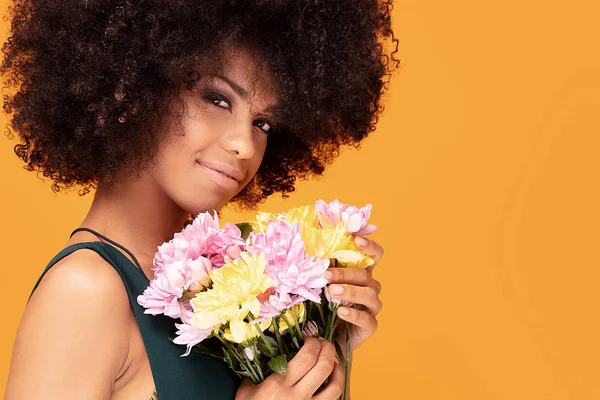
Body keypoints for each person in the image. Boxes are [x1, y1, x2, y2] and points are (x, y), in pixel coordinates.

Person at [1, 1, 398, 399]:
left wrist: (322, 346)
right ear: (137, 86)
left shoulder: (221, 301)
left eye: (262, 123)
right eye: (218, 99)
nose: (245, 144)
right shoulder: (84, 290)